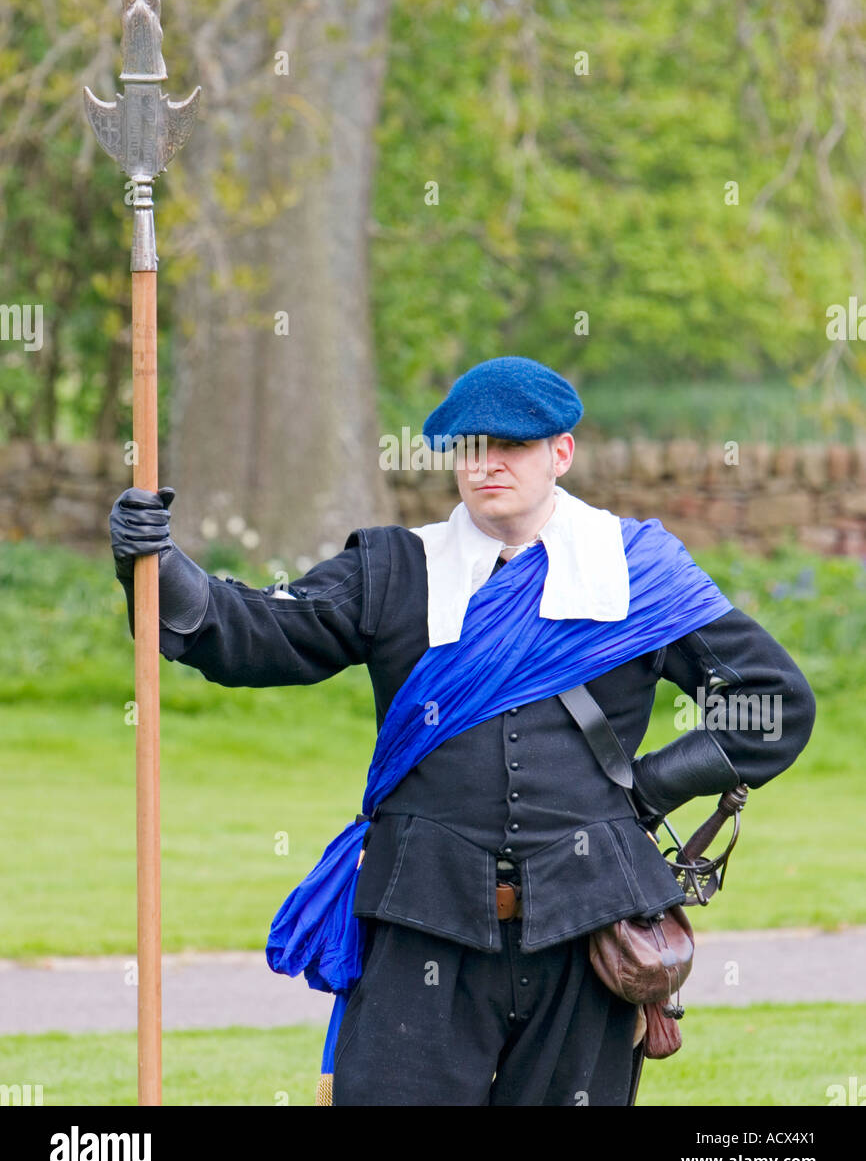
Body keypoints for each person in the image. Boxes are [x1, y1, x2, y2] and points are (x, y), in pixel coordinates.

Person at [109, 356, 816, 1106]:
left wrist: (645, 792)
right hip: (423, 919)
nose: (487, 464)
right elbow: (256, 633)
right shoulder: (395, 567)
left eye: (511, 447)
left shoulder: (638, 574)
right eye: (471, 447)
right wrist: (157, 562)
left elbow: (772, 704)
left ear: (560, 454)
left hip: (587, 932)